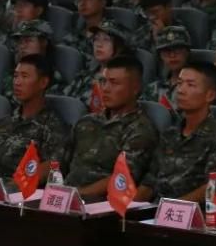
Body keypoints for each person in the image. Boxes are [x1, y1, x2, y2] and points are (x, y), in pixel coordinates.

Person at [136, 61, 216, 202]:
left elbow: (215, 186)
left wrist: (172, 207)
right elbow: (150, 181)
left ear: (210, 95)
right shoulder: (170, 133)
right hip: (156, 208)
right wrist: (130, 206)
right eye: (179, 83)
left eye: (190, 85)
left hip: (191, 211)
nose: (180, 90)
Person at [65, 56, 159, 199]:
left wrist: (77, 195)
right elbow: (60, 163)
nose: (105, 89)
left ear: (135, 88)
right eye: (103, 82)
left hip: (101, 204)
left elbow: (123, 178)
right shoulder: (86, 121)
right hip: (65, 198)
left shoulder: (140, 130)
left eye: (114, 83)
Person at [0, 54, 69, 184]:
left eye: (24, 76)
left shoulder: (53, 126)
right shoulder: (4, 122)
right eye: (16, 76)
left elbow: (53, 166)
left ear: (43, 82)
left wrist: (14, 185)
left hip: (18, 190)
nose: (17, 82)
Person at [64, 20, 134, 109]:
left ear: (119, 46)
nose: (99, 44)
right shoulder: (85, 75)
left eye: (106, 39)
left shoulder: (123, 83)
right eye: (96, 39)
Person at [143, 26, 191, 107]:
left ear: (187, 52)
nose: (172, 55)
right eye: (166, 51)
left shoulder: (195, 88)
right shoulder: (153, 89)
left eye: (177, 50)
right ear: (160, 56)